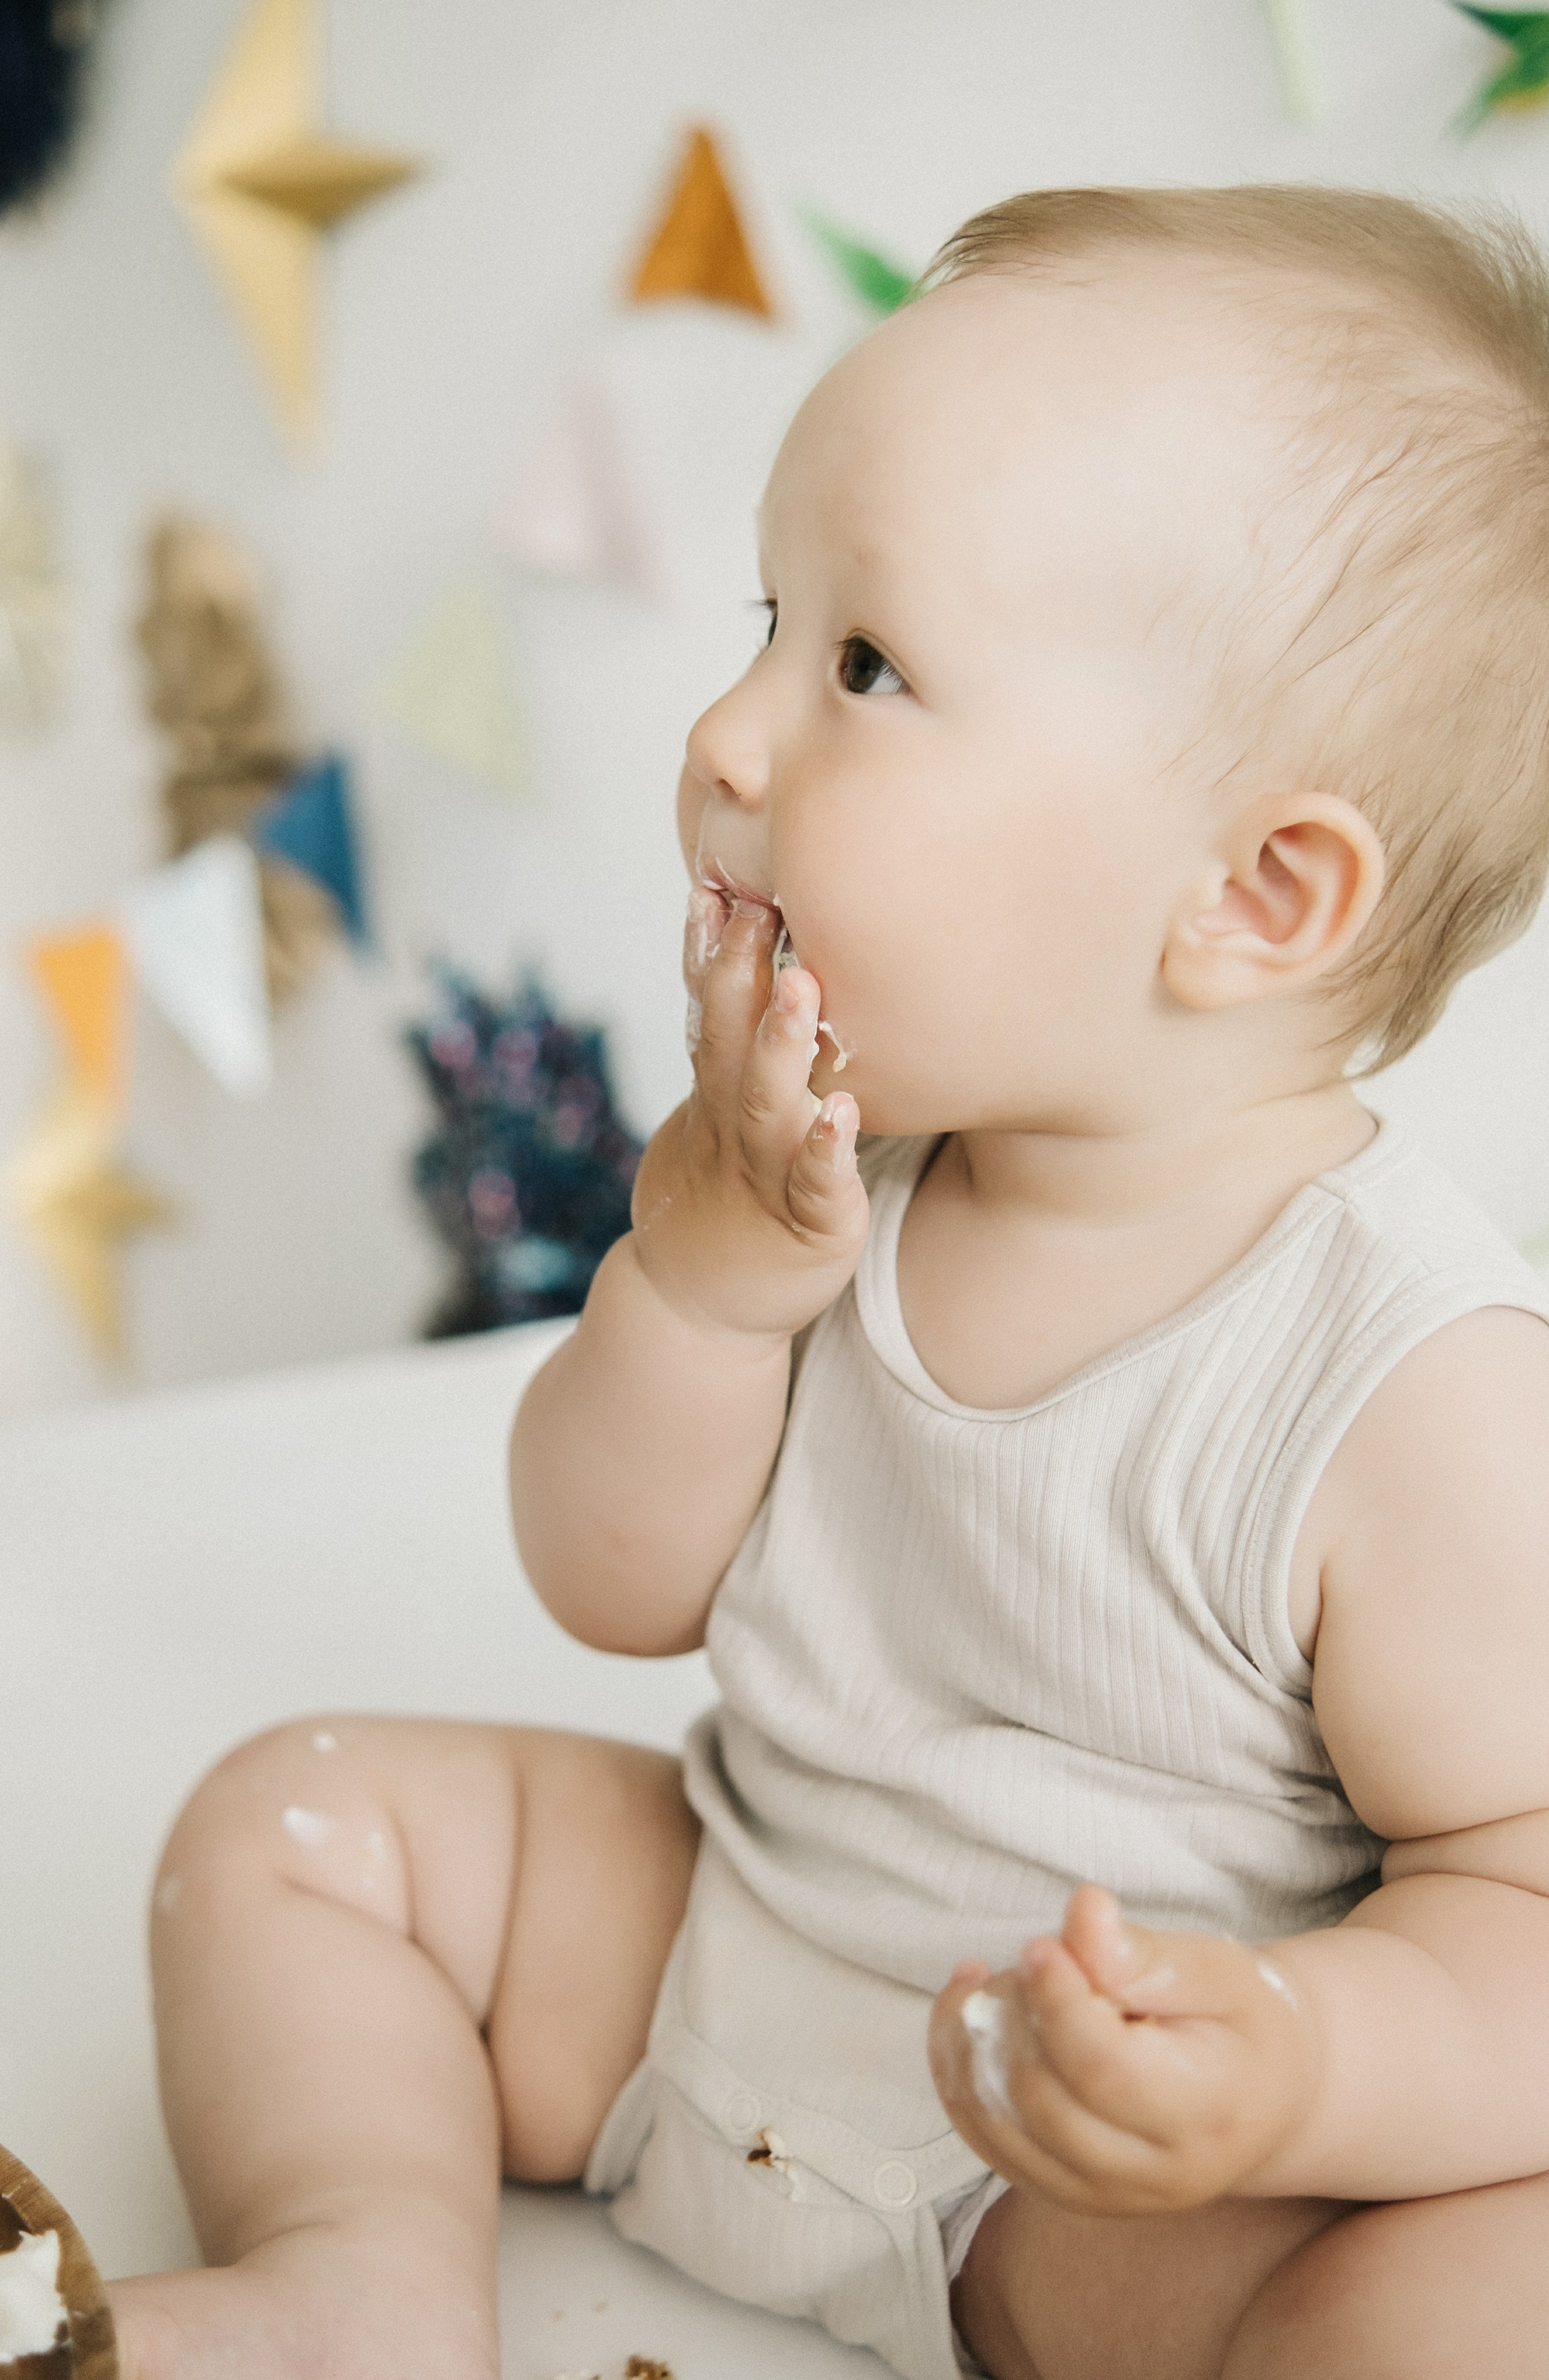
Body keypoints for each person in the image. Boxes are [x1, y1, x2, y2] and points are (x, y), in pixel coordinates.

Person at [109, 186, 1549, 2380]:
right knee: (295, 1825)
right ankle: (357, 2284)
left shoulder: (1406, 1387)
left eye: (865, 665)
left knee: (1490, 2295)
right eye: (772, 618)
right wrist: (695, 1280)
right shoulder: (823, 1168)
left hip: (1074, 2178)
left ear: (1256, 893)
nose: (726, 735)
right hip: (718, 1945)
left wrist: (1287, 2065)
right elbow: (609, 1582)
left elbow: (1524, 1917)